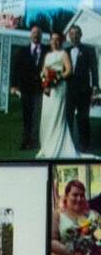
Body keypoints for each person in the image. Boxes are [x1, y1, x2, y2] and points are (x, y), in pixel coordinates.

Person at [37, 30, 78, 159]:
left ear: (61, 41)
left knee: (57, 116)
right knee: (47, 116)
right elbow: (43, 71)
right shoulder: (47, 55)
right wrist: (45, 80)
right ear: (50, 41)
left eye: (57, 39)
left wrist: (57, 77)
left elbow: (69, 70)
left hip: (59, 88)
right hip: (48, 89)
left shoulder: (63, 53)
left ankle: (58, 146)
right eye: (52, 39)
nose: (54, 41)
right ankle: (46, 145)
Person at [51, 178, 95, 255]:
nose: (79, 198)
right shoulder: (57, 215)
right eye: (75, 195)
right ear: (66, 196)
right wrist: (73, 252)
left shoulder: (90, 217)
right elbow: (52, 242)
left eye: (82, 195)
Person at [11, 25, 46, 151]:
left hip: (40, 89)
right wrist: (13, 85)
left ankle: (35, 141)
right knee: (27, 115)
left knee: (37, 115)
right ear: (30, 35)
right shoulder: (22, 51)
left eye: (38, 33)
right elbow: (16, 69)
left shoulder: (47, 50)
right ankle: (25, 140)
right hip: (25, 89)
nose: (36, 35)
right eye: (34, 33)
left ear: (41, 36)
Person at [66, 25, 98, 153]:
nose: (74, 36)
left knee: (83, 118)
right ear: (69, 36)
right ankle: (68, 144)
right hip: (68, 91)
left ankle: (85, 145)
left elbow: (94, 70)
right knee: (67, 117)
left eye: (76, 33)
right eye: (72, 34)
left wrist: (95, 88)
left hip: (84, 90)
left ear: (81, 35)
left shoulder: (89, 50)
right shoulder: (65, 51)